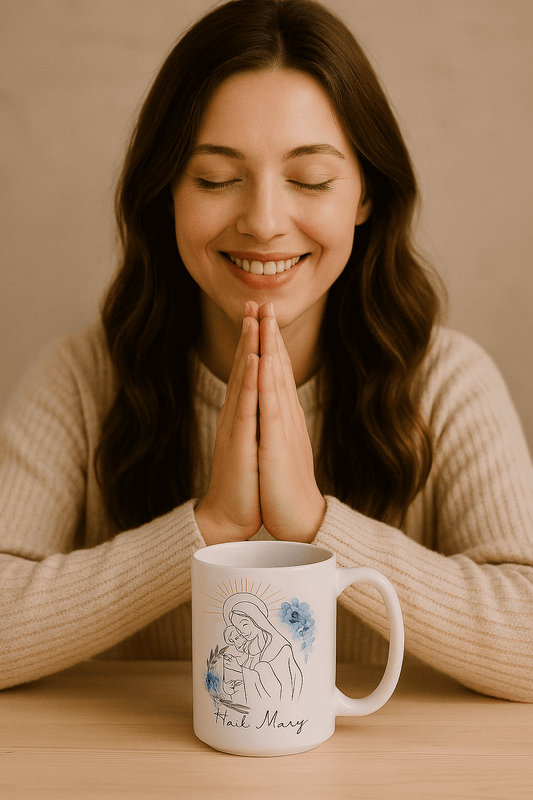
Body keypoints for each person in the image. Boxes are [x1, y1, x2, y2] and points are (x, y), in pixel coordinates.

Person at [0, 0, 532, 701]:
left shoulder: (446, 383)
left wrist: (313, 524)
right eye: (216, 179)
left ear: (365, 193)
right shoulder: (80, 379)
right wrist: (205, 528)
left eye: (310, 180)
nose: (263, 222)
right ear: (166, 193)